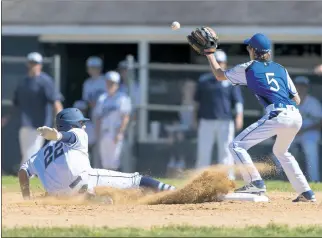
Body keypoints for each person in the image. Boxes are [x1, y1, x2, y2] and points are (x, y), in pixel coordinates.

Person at [188, 30, 316, 202]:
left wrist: (210, 54)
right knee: (281, 151)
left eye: (249, 47)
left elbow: (219, 75)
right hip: (295, 116)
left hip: (277, 114)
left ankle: (255, 183)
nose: (248, 50)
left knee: (236, 145)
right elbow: (297, 99)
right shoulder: (280, 69)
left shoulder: (248, 67)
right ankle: (306, 192)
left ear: (254, 51)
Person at [18, 108, 175, 199]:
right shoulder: (77, 133)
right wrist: (58, 135)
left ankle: (90, 198)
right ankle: (173, 191)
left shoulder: (42, 152)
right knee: (137, 179)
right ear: (73, 125)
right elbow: (68, 136)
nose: (84, 126)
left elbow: (23, 171)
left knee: (82, 192)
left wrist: (26, 198)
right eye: (81, 123)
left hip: (59, 195)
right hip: (83, 179)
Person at [2, 52, 63, 167]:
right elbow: (16, 104)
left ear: (40, 65)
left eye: (36, 63)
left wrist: (59, 122)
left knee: (32, 153)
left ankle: (25, 177)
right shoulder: (23, 82)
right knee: (26, 153)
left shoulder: (45, 81)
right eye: (31, 63)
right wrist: (5, 118)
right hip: (25, 124)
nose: (33, 65)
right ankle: (26, 177)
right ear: (28, 64)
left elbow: (56, 103)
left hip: (40, 125)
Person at [194, 50, 244, 180]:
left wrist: (239, 117)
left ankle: (228, 179)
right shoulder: (204, 80)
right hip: (206, 120)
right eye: (216, 62)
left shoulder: (231, 81)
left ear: (225, 64)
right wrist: (195, 118)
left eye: (221, 62)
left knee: (226, 151)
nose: (219, 65)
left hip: (225, 121)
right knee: (203, 151)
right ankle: (200, 179)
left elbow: (238, 102)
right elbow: (196, 102)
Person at [95, 71, 131, 171]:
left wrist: (120, 132)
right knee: (105, 162)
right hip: (104, 132)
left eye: (112, 83)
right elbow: (98, 118)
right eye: (108, 82)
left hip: (115, 131)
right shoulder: (102, 98)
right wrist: (98, 134)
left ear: (117, 84)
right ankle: (106, 185)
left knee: (114, 161)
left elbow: (125, 117)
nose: (110, 85)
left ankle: (114, 185)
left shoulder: (122, 98)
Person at [293, 76, 322, 182]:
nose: (300, 88)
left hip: (310, 132)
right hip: (292, 132)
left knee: (310, 148)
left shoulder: (313, 103)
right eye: (298, 85)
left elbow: (320, 123)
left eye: (303, 86)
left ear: (307, 87)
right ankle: (278, 176)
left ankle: (314, 180)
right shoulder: (288, 101)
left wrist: (303, 131)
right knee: (279, 149)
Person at [166, 79, 196, 177]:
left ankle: (181, 161)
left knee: (179, 135)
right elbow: (177, 119)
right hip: (182, 128)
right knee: (171, 135)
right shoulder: (180, 103)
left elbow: (195, 123)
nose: (188, 90)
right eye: (187, 88)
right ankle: (173, 159)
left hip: (192, 129)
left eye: (190, 88)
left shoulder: (195, 103)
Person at [82, 56, 106, 168]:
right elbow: (86, 102)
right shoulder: (87, 83)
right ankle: (92, 169)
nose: (93, 70)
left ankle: (102, 170)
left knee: (103, 147)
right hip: (92, 118)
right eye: (91, 68)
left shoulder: (105, 81)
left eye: (96, 68)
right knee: (89, 145)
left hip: (106, 118)